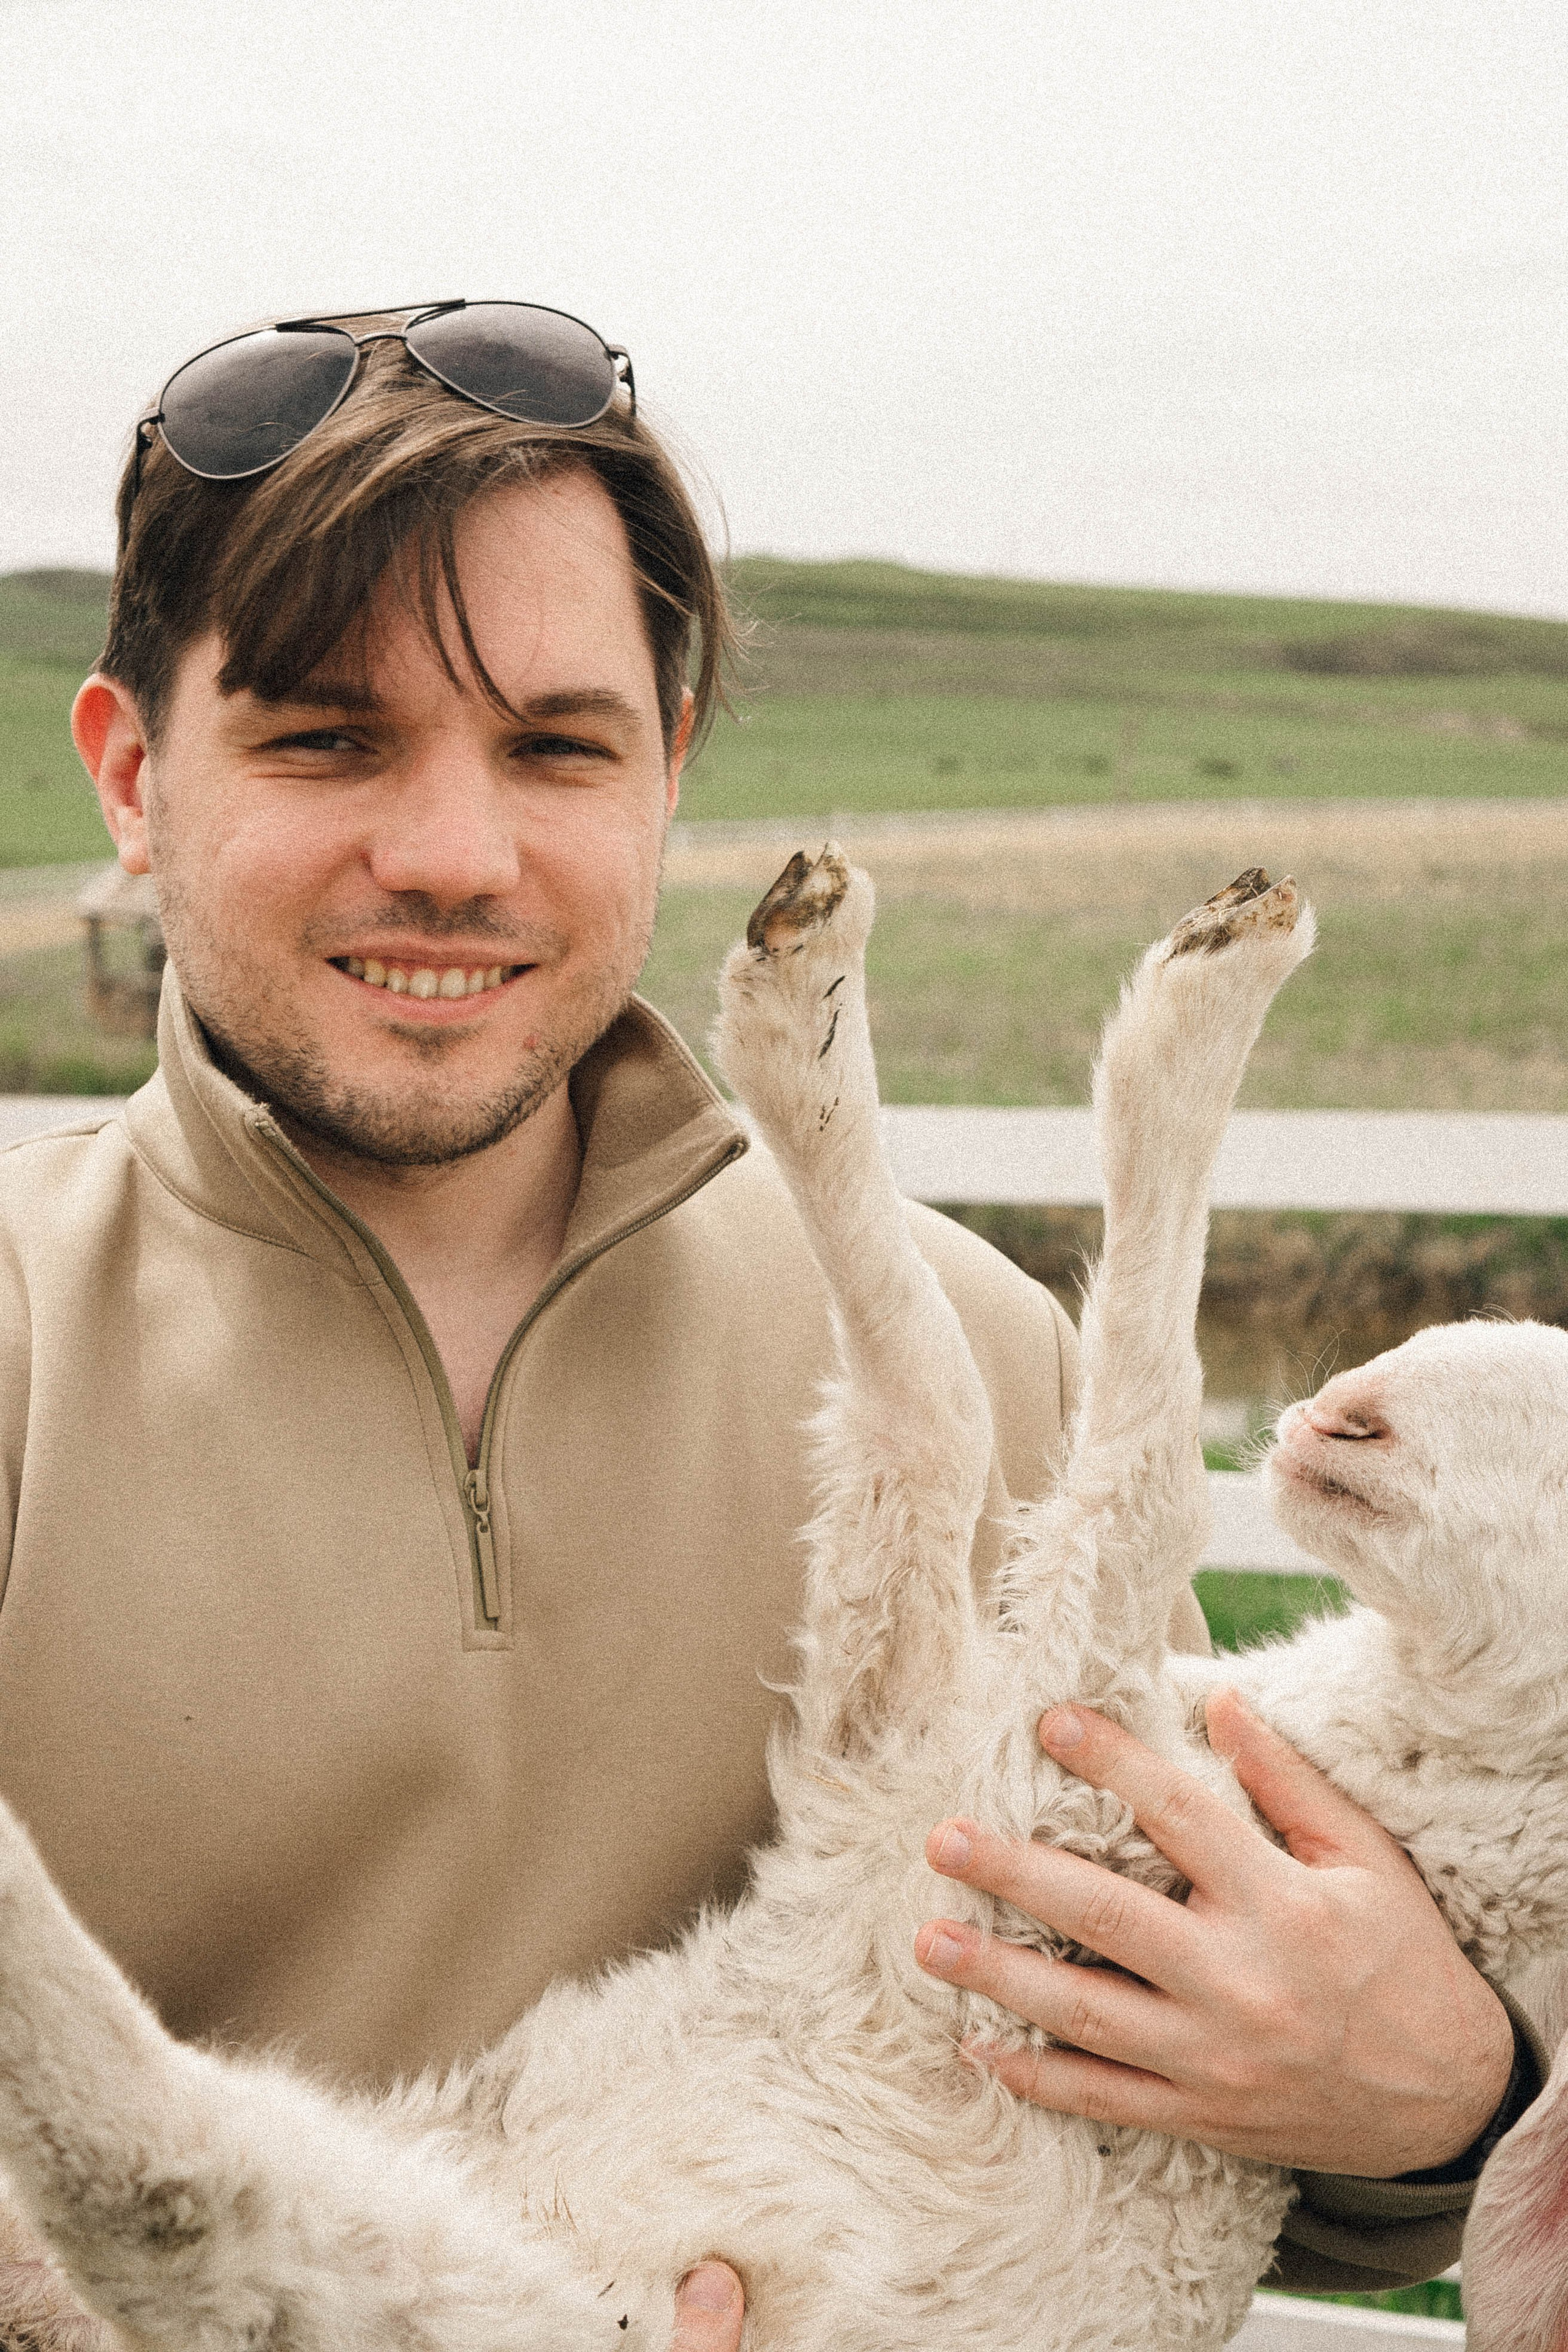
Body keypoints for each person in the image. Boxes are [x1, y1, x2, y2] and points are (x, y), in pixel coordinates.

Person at [0, 303, 1536, 2345]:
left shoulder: (985, 1349)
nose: (454, 854)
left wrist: (1442, 2099)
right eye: (325, 736)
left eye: (557, 745)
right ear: (130, 773)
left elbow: (1216, 2117)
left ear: (671, 767)